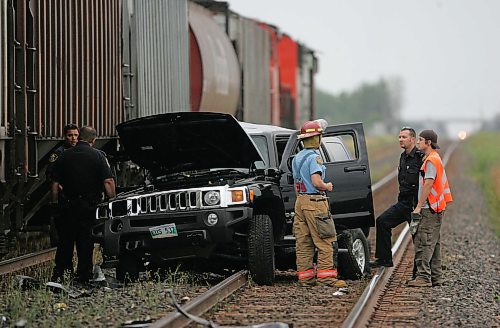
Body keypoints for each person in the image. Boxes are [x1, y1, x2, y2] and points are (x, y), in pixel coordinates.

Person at [50, 126, 116, 283]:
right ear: (93, 140)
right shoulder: (99, 156)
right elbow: (108, 181)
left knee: (65, 240)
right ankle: (83, 274)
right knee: (85, 241)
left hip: (68, 205)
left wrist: (54, 203)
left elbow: (54, 183)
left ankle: (61, 273)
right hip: (89, 207)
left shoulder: (64, 155)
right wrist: (112, 200)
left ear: (79, 137)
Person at [292, 120, 347, 288]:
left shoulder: (297, 158)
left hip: (300, 202)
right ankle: (326, 278)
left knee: (304, 242)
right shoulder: (314, 158)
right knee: (326, 240)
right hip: (315, 202)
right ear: (316, 138)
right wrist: (327, 186)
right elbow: (316, 182)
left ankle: (306, 279)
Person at [371, 127, 423, 267]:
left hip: (416, 204)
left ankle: (423, 270)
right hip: (404, 202)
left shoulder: (421, 157)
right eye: (399, 137)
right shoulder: (403, 157)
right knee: (382, 221)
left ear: (413, 139)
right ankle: (384, 259)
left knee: (419, 237)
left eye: (404, 137)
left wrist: (420, 205)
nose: (400, 139)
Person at [407, 130, 452, 287]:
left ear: (429, 143)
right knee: (434, 242)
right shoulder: (432, 158)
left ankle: (424, 276)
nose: (418, 142)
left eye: (420, 140)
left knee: (424, 241)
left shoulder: (431, 161)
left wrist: (419, 206)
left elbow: (428, 183)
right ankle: (436, 276)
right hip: (436, 207)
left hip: (430, 207)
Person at [47, 124, 79, 246]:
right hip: (64, 196)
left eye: (76, 135)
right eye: (70, 135)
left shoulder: (80, 151)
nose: (73, 138)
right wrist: (59, 186)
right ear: (65, 136)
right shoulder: (58, 153)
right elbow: (50, 175)